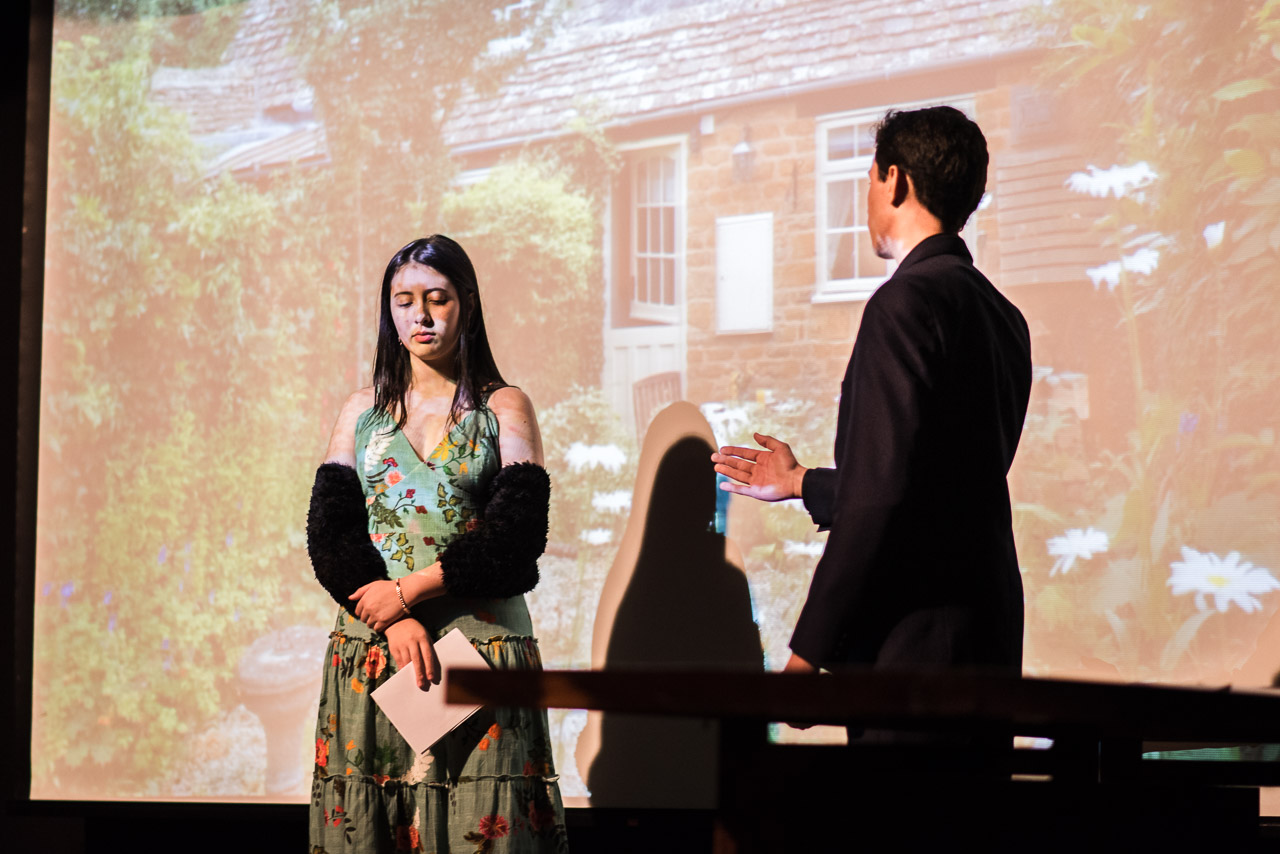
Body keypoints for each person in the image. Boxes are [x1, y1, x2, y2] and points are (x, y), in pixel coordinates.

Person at [713, 107, 1032, 740]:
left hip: (916, 650)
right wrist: (802, 481)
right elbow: (935, 489)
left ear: (894, 180)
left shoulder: (904, 304)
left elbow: (881, 499)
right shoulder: (1004, 316)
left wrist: (806, 657)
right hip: (989, 641)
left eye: (867, 178)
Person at [306, 235, 568, 851]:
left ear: (466, 304)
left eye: (437, 298)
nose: (420, 315)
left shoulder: (504, 406)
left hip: (480, 653)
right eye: (404, 301)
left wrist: (409, 591)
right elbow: (330, 532)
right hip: (375, 649)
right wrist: (394, 616)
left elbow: (517, 535)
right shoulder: (360, 410)